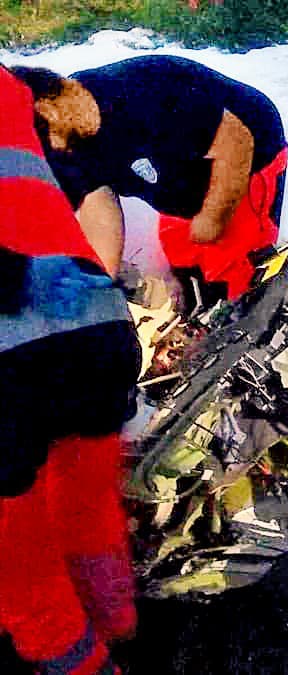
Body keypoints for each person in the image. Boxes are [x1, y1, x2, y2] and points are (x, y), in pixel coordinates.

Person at [0, 64, 140, 674]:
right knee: (86, 509)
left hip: (10, 339)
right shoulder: (10, 82)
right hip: (94, 320)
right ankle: (125, 634)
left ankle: (84, 665)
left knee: (18, 567)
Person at [11, 54, 288, 307]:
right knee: (189, 279)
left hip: (247, 157)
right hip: (182, 179)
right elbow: (98, 210)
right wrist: (95, 285)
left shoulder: (141, 98)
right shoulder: (66, 141)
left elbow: (237, 142)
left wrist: (213, 218)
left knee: (238, 286)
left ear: (49, 111)